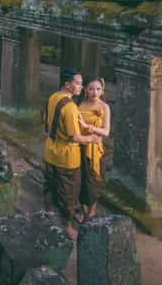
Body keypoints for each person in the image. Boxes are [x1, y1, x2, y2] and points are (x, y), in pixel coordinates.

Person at [43, 68, 101, 240]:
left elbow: (45, 123)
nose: (81, 87)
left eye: (82, 83)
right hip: (66, 157)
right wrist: (91, 139)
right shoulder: (70, 107)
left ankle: (47, 217)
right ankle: (67, 226)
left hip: (50, 151)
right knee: (69, 194)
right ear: (67, 85)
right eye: (77, 83)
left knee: (50, 187)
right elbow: (74, 137)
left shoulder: (53, 97)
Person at [75, 76, 111, 222]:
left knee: (93, 180)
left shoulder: (104, 107)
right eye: (91, 89)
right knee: (80, 179)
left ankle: (92, 211)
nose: (95, 92)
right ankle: (84, 210)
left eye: (98, 89)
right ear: (85, 90)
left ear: (102, 90)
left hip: (95, 148)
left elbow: (106, 132)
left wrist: (87, 126)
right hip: (80, 146)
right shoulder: (80, 104)